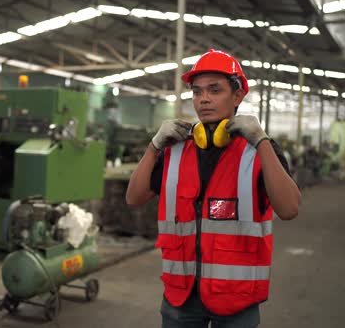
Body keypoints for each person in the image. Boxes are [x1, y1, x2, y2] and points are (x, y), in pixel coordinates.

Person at [125, 49, 301, 328]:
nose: (203, 99)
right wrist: (154, 146)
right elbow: (134, 198)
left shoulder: (257, 151)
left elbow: (290, 208)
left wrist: (262, 141)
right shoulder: (177, 149)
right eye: (197, 92)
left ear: (238, 95)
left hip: (236, 299)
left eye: (214, 90)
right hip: (181, 297)